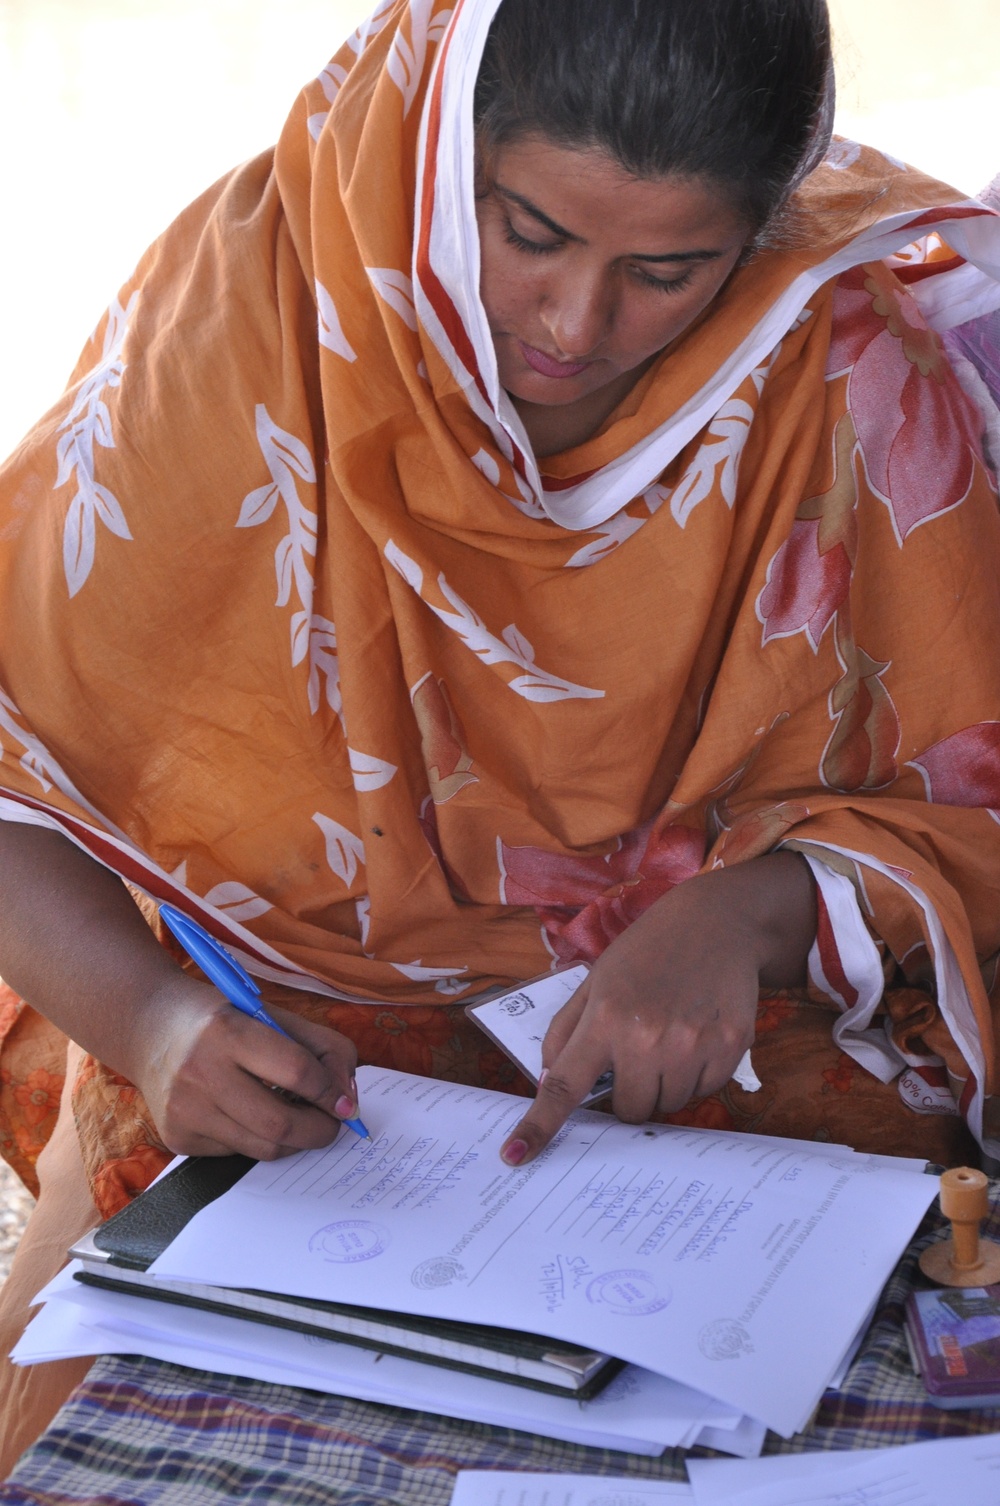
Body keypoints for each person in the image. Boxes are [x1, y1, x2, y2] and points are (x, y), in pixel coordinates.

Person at [1, 0, 999, 1471]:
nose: (572, 324)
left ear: (766, 229)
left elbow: (964, 796)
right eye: (525, 230)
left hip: (739, 1038)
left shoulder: (835, 359)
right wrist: (155, 1027)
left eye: (669, 271)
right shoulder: (263, 314)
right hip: (280, 1054)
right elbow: (25, 770)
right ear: (432, 142)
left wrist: (752, 906)